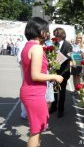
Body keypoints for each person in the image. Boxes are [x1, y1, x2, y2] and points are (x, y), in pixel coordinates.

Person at [20, 17, 63, 147]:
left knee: (36, 128)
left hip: (30, 91)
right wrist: (54, 76)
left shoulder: (29, 46)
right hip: (34, 93)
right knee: (36, 131)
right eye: (46, 30)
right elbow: (35, 75)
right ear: (39, 30)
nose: (48, 33)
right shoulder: (37, 48)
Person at [50, 27, 72, 118]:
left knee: (62, 91)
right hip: (55, 71)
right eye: (54, 35)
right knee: (54, 90)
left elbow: (69, 58)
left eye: (57, 35)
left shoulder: (68, 45)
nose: (55, 37)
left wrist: (58, 59)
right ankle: (54, 107)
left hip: (64, 71)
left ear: (62, 35)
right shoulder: (54, 44)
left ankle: (61, 109)